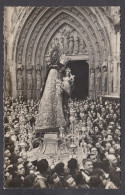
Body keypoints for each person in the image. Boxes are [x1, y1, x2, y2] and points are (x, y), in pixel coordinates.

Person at [35, 47, 70, 131]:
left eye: (55, 55)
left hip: (56, 89)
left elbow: (60, 76)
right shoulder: (51, 68)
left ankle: (56, 122)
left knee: (56, 103)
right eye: (53, 55)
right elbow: (49, 80)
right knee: (48, 100)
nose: (54, 56)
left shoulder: (57, 68)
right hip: (50, 89)